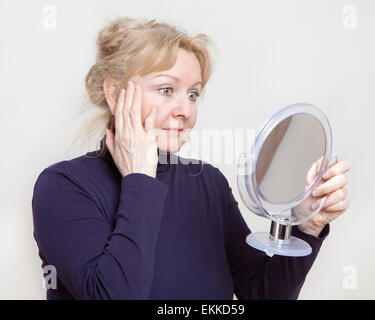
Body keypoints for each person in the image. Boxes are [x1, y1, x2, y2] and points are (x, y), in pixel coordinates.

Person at [31, 17, 351, 300]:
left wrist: (306, 226)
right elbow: (114, 293)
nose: (185, 110)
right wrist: (140, 180)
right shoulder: (64, 187)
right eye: (167, 90)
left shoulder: (208, 183)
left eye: (193, 94)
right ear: (115, 94)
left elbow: (261, 293)